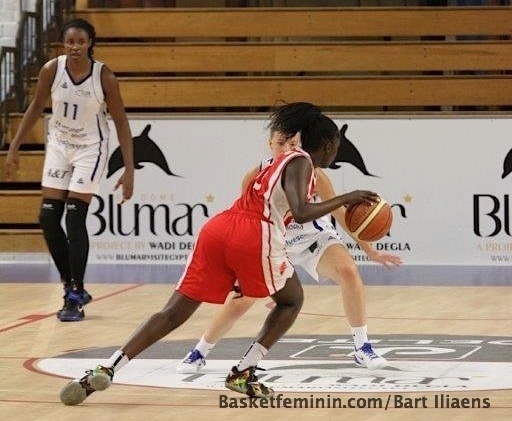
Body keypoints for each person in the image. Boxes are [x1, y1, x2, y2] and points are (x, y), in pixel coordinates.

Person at [58, 102, 379, 405]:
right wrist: (346, 197)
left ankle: (106, 368)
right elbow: (302, 210)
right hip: (256, 232)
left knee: (173, 312)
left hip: (220, 228)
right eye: (334, 147)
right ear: (322, 144)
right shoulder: (301, 161)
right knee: (292, 300)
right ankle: (243, 372)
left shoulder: (277, 163)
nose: (335, 154)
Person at [176, 128, 402, 374]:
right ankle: (200, 351)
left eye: (292, 142)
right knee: (242, 300)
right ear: (270, 143)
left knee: (348, 270)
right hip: (273, 242)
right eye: (280, 142)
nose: (286, 147)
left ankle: (362, 347)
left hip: (313, 238)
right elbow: (245, 218)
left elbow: (340, 212)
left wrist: (370, 251)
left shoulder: (312, 172)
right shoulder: (255, 174)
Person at [3, 18, 134, 322]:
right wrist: (14, 146)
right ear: (65, 44)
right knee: (48, 218)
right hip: (60, 145)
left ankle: (74, 294)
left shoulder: (104, 77)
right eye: (70, 42)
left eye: (81, 41)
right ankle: (70, 283)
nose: (75, 47)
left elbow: (122, 123)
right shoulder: (52, 69)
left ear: (90, 43)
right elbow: (36, 107)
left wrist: (129, 168)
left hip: (91, 148)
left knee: (74, 219)